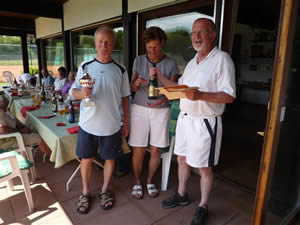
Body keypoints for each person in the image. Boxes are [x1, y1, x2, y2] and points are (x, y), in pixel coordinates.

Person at [157, 18, 236, 225]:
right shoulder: (192, 62)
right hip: (185, 120)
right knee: (181, 159)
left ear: (212, 35)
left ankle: (203, 205)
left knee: (204, 167)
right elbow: (179, 89)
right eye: (193, 33)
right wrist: (159, 77)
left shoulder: (222, 59)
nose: (196, 37)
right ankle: (182, 194)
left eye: (201, 32)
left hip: (205, 122)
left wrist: (201, 96)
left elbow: (229, 96)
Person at [71, 26, 130, 214]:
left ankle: (105, 190)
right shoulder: (85, 67)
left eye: (108, 42)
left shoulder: (121, 70)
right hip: (88, 125)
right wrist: (82, 93)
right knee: (86, 160)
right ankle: (85, 192)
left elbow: (126, 98)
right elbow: (73, 92)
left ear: (113, 44)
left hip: (111, 125)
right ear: (95, 43)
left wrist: (126, 121)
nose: (104, 45)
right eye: (100, 42)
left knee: (110, 159)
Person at [129, 26, 179, 199]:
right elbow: (131, 86)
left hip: (161, 110)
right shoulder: (139, 60)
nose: (152, 51)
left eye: (156, 47)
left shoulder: (171, 63)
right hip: (139, 109)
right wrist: (135, 85)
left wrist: (162, 99)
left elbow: (172, 92)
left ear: (163, 43)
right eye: (149, 48)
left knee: (156, 150)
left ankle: (150, 180)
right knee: (139, 150)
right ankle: (137, 181)